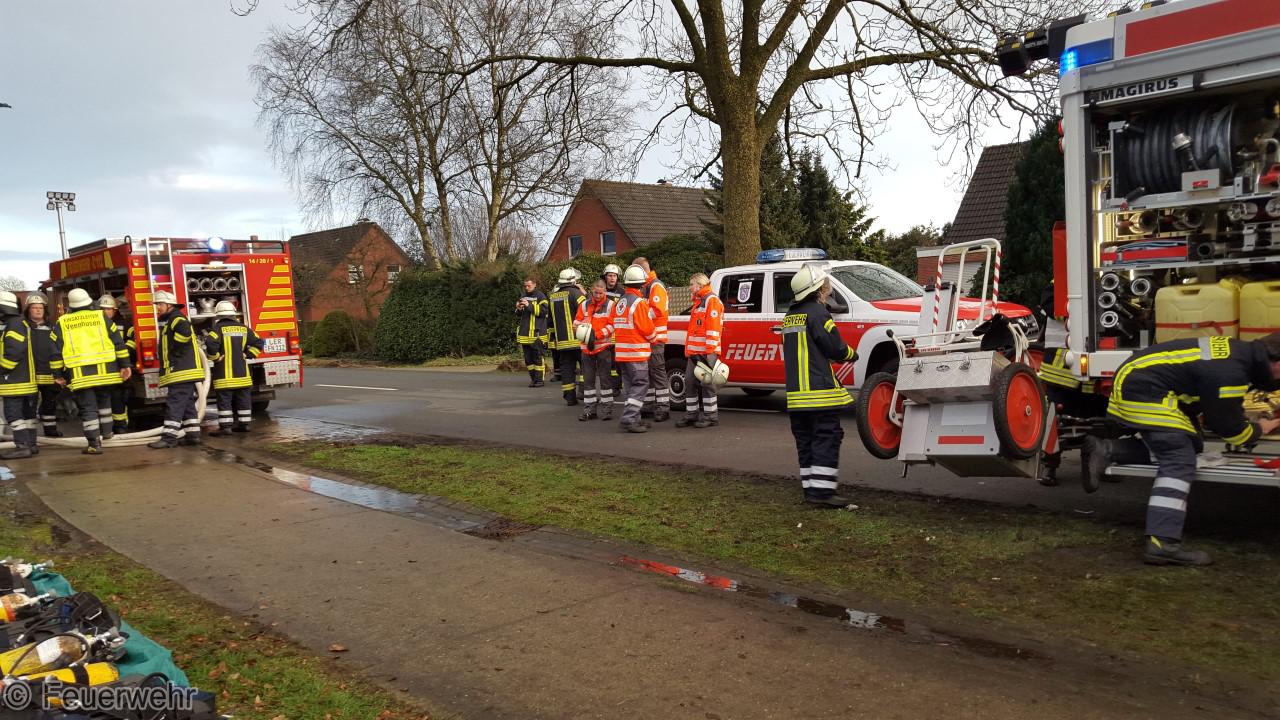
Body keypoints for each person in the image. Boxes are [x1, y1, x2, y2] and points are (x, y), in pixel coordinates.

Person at [1096, 334, 1280, 566]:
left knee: (1191, 445)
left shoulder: (1240, 354)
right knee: (1179, 458)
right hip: (1144, 388)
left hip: (1139, 379)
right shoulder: (1232, 373)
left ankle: (1107, 450)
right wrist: (1262, 428)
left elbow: (1212, 396)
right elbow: (1231, 431)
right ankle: (1162, 543)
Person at [782, 265, 857, 508]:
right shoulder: (818, 313)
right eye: (826, 286)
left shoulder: (789, 316)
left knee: (805, 440)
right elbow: (834, 347)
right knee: (826, 437)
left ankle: (810, 489)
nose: (829, 290)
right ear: (818, 290)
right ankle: (823, 493)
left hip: (796, 396)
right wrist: (851, 354)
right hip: (819, 393)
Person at [49, 288, 130, 455]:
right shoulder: (100, 316)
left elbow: (55, 351)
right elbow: (118, 342)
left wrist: (58, 375)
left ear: (71, 305)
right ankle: (107, 433)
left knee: (88, 409)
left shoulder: (63, 322)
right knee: (104, 403)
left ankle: (94, 444)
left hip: (81, 375)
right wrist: (125, 365)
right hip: (106, 372)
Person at [148, 290, 206, 449]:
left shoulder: (177, 319)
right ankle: (193, 435)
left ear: (169, 305)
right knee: (187, 404)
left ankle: (169, 438)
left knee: (175, 403)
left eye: (160, 304)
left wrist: (174, 353)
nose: (157, 307)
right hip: (183, 370)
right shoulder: (171, 319)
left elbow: (184, 334)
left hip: (181, 371)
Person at [204, 301, 264, 436]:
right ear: (233, 314)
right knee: (243, 400)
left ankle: (225, 427)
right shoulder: (244, 329)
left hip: (224, 376)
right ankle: (244, 425)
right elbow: (259, 342)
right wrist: (248, 354)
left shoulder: (217, 329)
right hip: (243, 375)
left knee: (224, 401)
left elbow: (210, 344)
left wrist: (215, 358)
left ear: (218, 315)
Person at [613, 265, 658, 433]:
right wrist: (654, 339)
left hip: (622, 353)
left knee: (631, 388)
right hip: (636, 353)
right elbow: (647, 328)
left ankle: (635, 418)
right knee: (640, 384)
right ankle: (629, 419)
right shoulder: (639, 303)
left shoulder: (621, 302)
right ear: (642, 284)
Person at [677, 273, 724, 429]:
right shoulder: (699, 301)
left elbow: (713, 329)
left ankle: (711, 416)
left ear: (700, 285)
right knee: (690, 382)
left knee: (707, 385)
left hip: (706, 352)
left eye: (692, 284)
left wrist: (710, 354)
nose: (690, 287)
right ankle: (692, 414)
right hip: (695, 353)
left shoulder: (711, 301)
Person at [0, 291, 39, 460]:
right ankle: (31, 445)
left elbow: (15, 351)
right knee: (28, 415)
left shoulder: (13, 325)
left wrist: (3, 369)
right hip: (25, 380)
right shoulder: (20, 323)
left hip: (14, 381)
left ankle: (22, 446)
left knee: (13, 415)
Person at [632, 257, 670, 421]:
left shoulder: (655, 286)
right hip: (646, 339)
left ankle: (663, 408)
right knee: (647, 373)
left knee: (658, 373)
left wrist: (639, 315)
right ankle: (648, 406)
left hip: (655, 339)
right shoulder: (645, 286)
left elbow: (658, 310)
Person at [575, 279, 615, 421]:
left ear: (605, 291)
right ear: (592, 290)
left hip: (603, 347)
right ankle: (589, 410)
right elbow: (575, 323)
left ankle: (607, 410)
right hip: (586, 348)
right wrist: (581, 329)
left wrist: (596, 335)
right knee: (588, 382)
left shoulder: (610, 305)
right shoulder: (584, 305)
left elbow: (612, 326)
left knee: (605, 380)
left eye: (600, 293)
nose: (598, 295)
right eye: (596, 292)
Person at [23, 293, 61, 438]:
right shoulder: (23, 327)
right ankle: (29, 435)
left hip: (49, 372)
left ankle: (51, 431)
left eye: (40, 308)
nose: (38, 310)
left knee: (49, 404)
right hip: (30, 373)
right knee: (29, 406)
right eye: (34, 308)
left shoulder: (53, 327)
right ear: (28, 310)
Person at [548, 268, 587, 406]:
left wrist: (553, 338)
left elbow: (550, 321)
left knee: (567, 370)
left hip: (562, 342)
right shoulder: (577, 294)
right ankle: (583, 391)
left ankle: (570, 398)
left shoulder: (552, 296)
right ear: (573, 280)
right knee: (585, 366)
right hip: (578, 340)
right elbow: (586, 312)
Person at [97, 295, 131, 435]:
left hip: (119, 367)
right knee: (103, 399)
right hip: (102, 367)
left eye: (109, 309)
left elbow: (132, 340)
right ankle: (106, 427)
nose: (106, 312)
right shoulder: (95, 325)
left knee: (118, 398)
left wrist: (124, 353)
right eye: (103, 309)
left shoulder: (125, 323)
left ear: (115, 310)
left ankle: (121, 426)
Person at [516, 278, 548, 388]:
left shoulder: (541, 296)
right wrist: (518, 308)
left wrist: (529, 305)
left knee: (538, 358)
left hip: (537, 333)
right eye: (525, 286)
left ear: (534, 285)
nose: (526, 288)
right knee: (528, 359)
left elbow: (544, 311)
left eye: (528, 286)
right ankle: (533, 379)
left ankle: (539, 380)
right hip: (525, 333)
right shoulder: (523, 295)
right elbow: (519, 315)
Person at [601, 264, 623, 399]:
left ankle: (616, 387)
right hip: (604, 333)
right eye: (610, 275)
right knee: (606, 363)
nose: (612, 278)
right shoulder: (601, 291)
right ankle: (608, 387)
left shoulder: (622, 292)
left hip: (618, 333)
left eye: (614, 276)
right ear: (605, 277)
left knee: (617, 364)